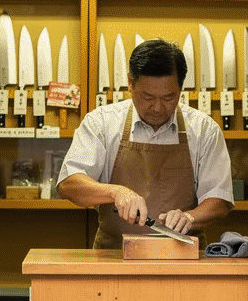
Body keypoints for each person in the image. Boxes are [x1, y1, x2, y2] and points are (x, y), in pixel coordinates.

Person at [58, 39, 234, 249]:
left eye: (169, 97)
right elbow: (69, 185)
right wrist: (115, 192)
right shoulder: (102, 123)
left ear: (181, 88)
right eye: (147, 97)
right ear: (130, 83)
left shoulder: (204, 130)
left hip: (184, 260)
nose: (158, 108)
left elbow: (219, 199)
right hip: (114, 257)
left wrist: (190, 217)